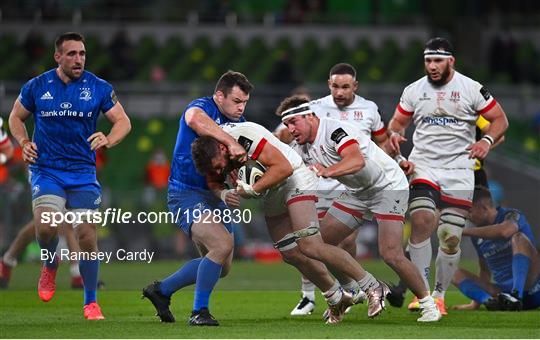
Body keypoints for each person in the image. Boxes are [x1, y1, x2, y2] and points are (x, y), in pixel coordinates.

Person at [191, 121, 390, 322]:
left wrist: (253, 189)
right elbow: (213, 180)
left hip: (294, 178)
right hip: (270, 191)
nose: (221, 170)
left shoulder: (244, 136)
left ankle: (373, 286)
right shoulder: (209, 150)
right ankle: (336, 297)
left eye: (220, 165)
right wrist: (224, 192)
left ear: (223, 148)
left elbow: (283, 167)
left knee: (311, 246)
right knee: (291, 254)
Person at [278, 97, 441, 322]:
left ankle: (428, 304)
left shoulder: (334, 129)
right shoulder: (301, 146)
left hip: (388, 186)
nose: (291, 129)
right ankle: (351, 291)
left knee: (391, 254)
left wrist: (328, 171)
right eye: (287, 125)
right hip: (358, 192)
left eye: (293, 122)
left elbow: (356, 161)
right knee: (320, 244)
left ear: (310, 116)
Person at [8, 32, 131, 320]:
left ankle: (91, 302)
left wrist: (109, 139)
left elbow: (123, 121)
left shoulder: (98, 87)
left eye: (83, 54)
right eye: (73, 54)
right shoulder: (37, 86)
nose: (79, 59)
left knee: (87, 236)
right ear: (58, 57)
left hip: (82, 172)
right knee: (46, 230)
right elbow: (15, 117)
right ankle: (50, 264)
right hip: (47, 169)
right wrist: (24, 143)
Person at [387, 37, 509, 315]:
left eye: (438, 60)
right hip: (424, 165)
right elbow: (397, 123)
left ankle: (439, 295)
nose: (432, 66)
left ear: (451, 61)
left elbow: (501, 120)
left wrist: (486, 141)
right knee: (421, 219)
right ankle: (423, 294)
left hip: (459, 168)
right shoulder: (413, 90)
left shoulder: (472, 89)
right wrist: (395, 134)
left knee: (450, 236)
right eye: (428, 60)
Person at [141, 71, 253, 326]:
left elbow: (227, 170)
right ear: (219, 96)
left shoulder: (240, 122)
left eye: (244, 102)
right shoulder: (201, 107)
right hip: (185, 193)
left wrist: (230, 188)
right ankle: (199, 312)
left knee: (222, 267)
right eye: (236, 101)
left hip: (214, 195)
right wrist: (230, 142)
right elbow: (193, 119)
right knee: (222, 246)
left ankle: (161, 291)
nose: (241, 107)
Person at [452, 187, 540, 311]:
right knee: (449, 270)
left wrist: (461, 231)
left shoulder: (512, 215)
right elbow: (484, 270)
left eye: (470, 211)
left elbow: (505, 231)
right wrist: (475, 303)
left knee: (518, 237)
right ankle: (491, 302)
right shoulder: (477, 237)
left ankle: (516, 295)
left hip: (533, 287)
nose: (468, 216)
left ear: (484, 208)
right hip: (503, 293)